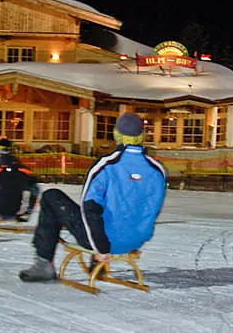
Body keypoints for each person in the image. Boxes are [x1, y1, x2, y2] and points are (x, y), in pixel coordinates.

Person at [18, 113, 167, 282]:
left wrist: (101, 249)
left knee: (51, 196)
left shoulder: (106, 165)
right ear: (142, 136)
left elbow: (89, 208)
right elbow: (152, 208)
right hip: (135, 240)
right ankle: (96, 265)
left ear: (117, 134)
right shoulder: (157, 169)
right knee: (115, 208)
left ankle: (44, 263)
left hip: (103, 243)